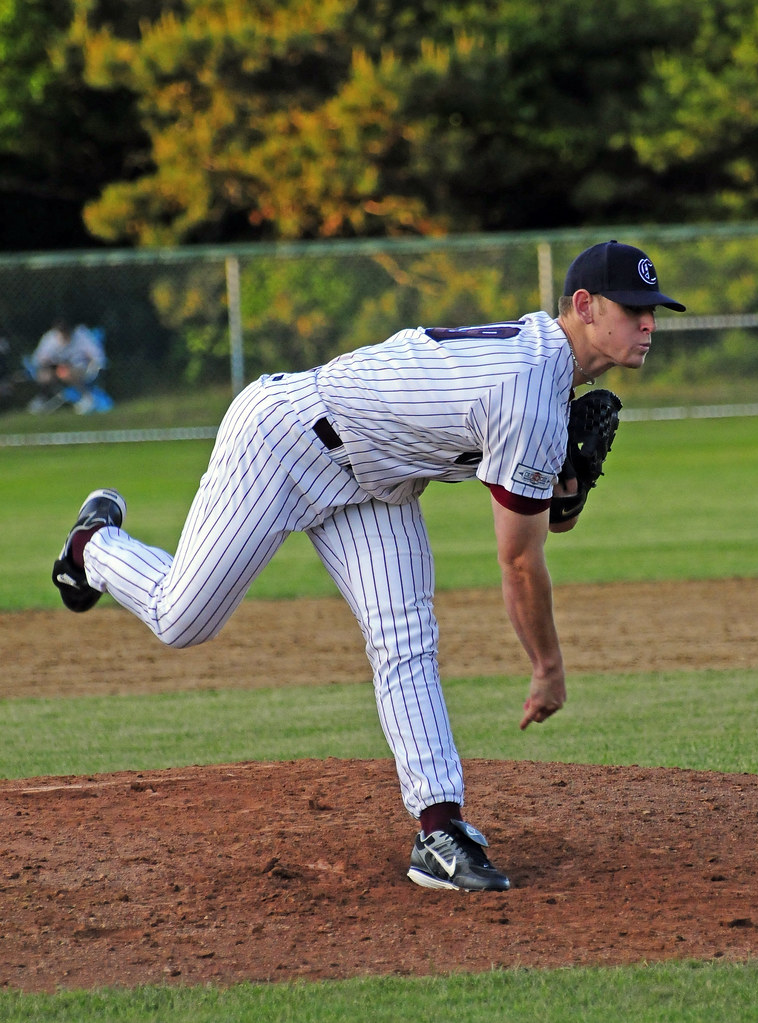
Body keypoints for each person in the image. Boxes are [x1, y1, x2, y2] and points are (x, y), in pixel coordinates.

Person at [52, 240, 685, 892]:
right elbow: (519, 561)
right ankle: (93, 545)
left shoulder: (542, 376)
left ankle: (439, 831)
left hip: (374, 480)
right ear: (582, 305)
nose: (647, 322)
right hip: (285, 438)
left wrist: (567, 485)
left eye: (651, 309)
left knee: (404, 637)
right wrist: (547, 666)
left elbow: (549, 518)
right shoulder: (527, 391)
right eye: (631, 307)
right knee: (180, 617)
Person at [27, 319, 108, 414]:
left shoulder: (82, 336)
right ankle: (42, 399)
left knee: (65, 373)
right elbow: (37, 358)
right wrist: (47, 361)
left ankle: (87, 398)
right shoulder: (50, 339)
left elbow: (98, 357)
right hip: (56, 369)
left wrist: (91, 363)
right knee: (44, 376)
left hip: (80, 368)